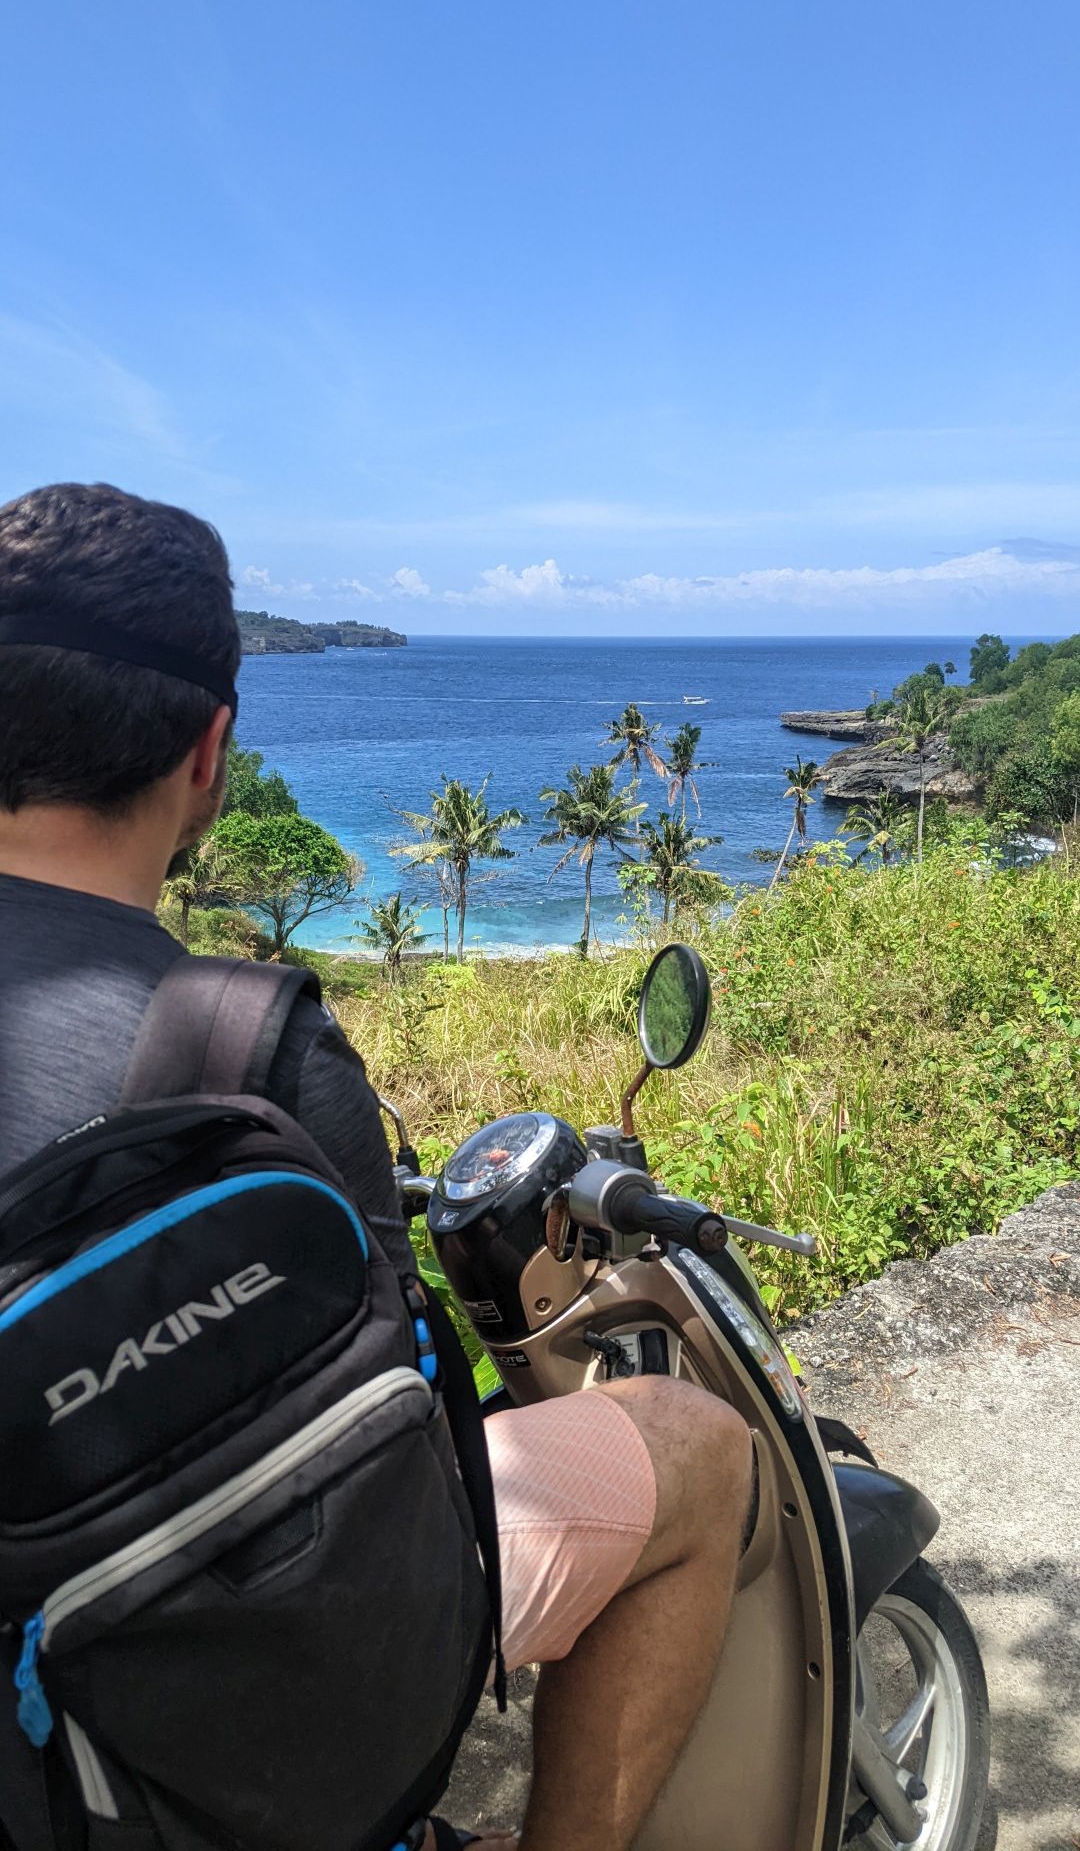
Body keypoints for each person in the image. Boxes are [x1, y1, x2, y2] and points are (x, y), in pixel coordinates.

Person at [0, 482, 751, 1851]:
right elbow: (391, 1421)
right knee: (698, 1449)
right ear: (209, 751)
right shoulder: (246, 1050)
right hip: (144, 1697)